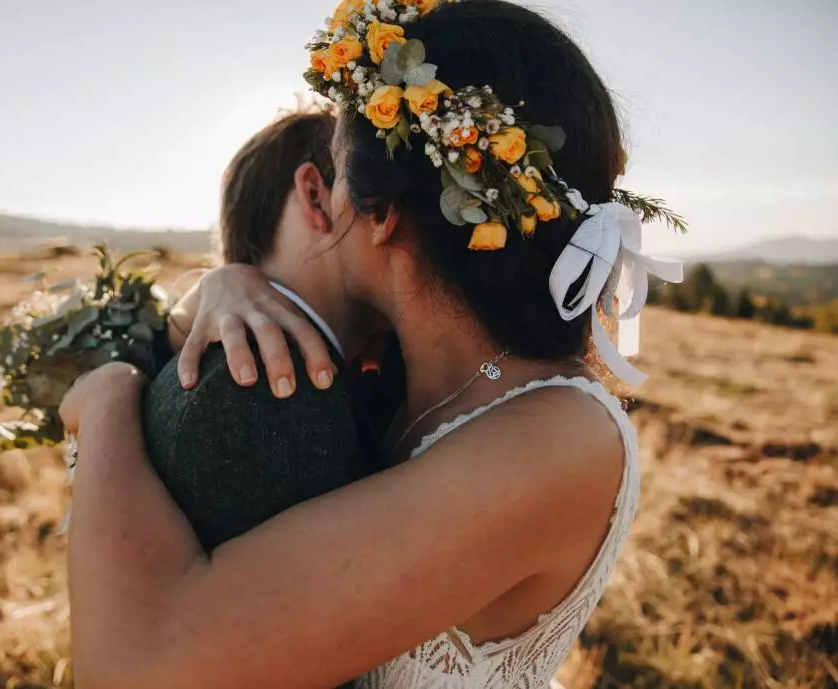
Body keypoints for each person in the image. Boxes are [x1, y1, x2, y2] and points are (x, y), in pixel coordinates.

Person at [61, 1, 683, 687]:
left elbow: (129, 668)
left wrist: (104, 395)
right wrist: (224, 283)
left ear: (382, 213)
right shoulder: (402, 376)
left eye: (335, 166)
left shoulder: (555, 439)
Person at [145, 106, 395, 552]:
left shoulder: (357, 367)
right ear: (317, 198)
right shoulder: (259, 394)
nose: (395, 215)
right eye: (378, 187)